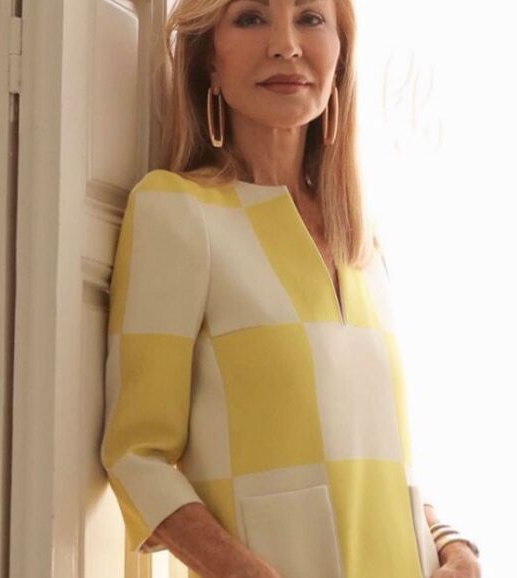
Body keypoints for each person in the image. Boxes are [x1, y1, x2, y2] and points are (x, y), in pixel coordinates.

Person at [98, 0, 481, 577]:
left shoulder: (363, 245)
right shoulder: (177, 211)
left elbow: (372, 468)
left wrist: (453, 545)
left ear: (340, 56)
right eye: (252, 18)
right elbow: (135, 457)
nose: (286, 45)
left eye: (310, 18)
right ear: (209, 61)